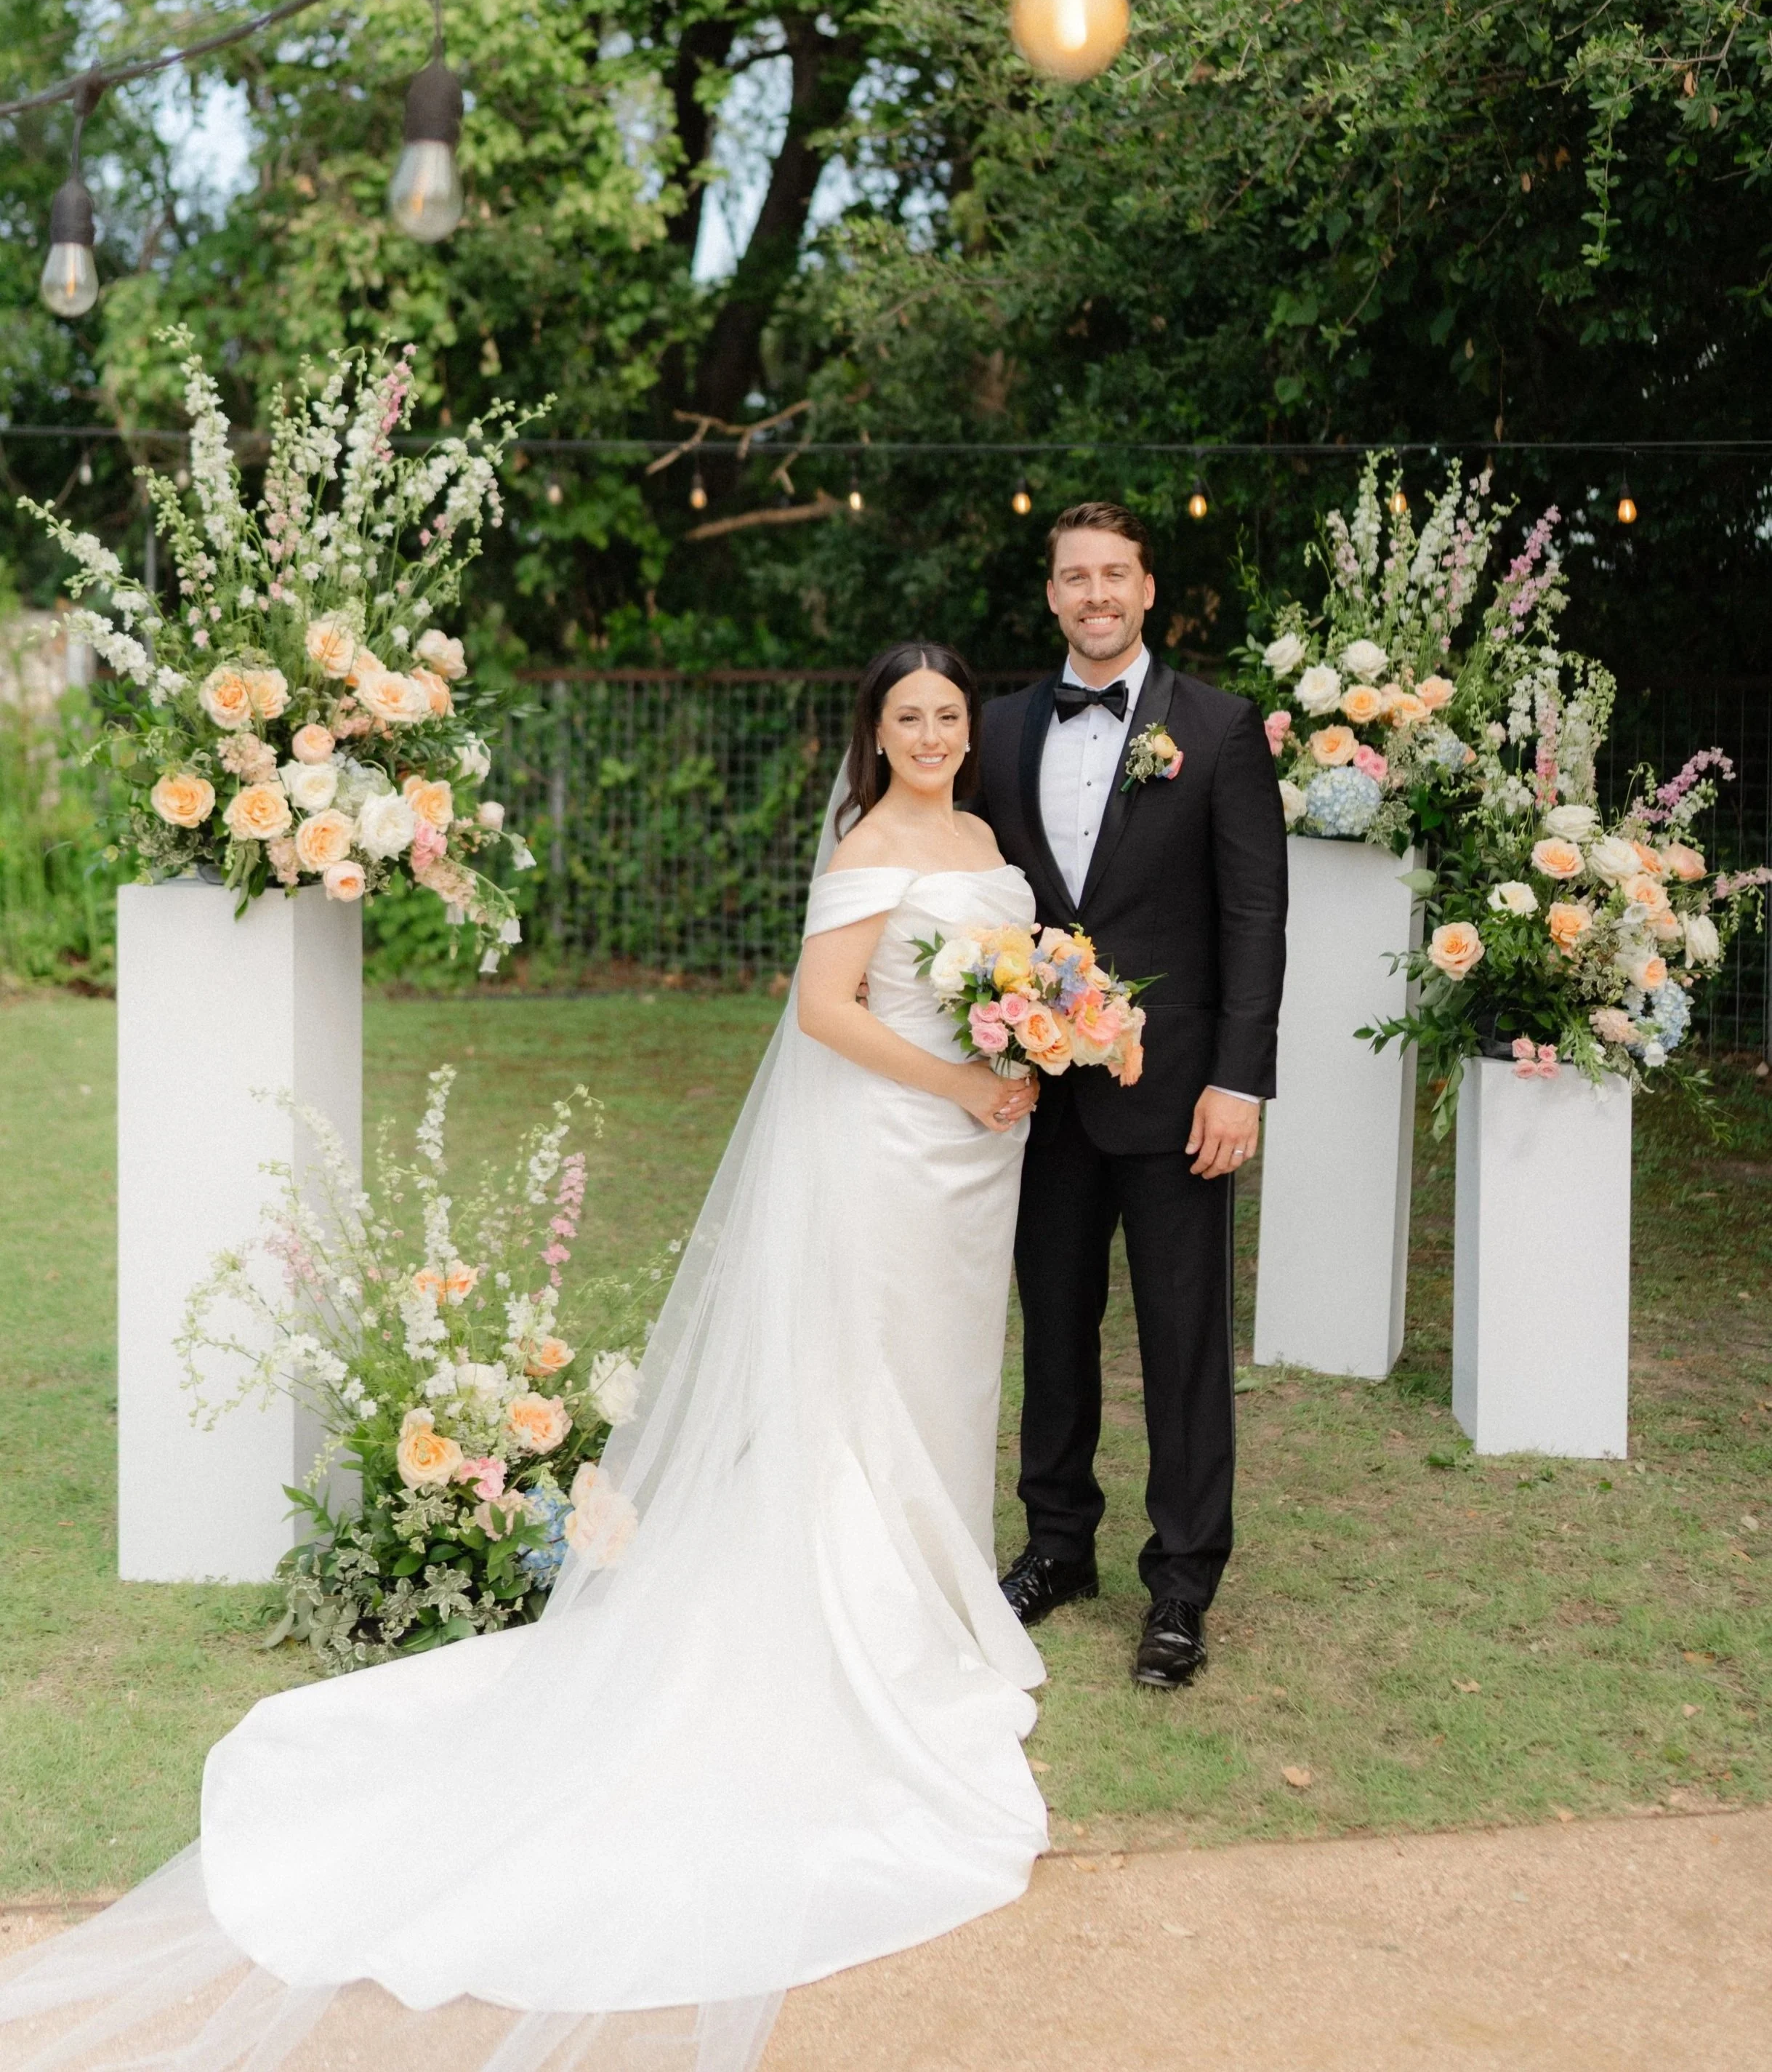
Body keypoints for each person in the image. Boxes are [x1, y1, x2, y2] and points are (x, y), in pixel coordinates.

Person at [0, 643, 1052, 2072]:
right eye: (906, 717)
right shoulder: (868, 844)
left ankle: (930, 1588)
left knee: (939, 1378)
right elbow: (826, 1011)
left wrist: (1032, 1039)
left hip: (973, 1164)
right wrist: (964, 1075)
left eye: (947, 715)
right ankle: (864, 1612)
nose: (930, 734)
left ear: (966, 729)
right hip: (891, 1142)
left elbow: (1008, 972)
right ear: (873, 735)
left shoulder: (985, 838)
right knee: (856, 1378)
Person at [971, 501, 1288, 1690]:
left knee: (1182, 1340)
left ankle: (1182, 1583)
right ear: (1049, 593)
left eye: (1115, 574)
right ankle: (1057, 1547)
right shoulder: (998, 731)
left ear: (1149, 588)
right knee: (1049, 1331)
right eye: (1073, 577)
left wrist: (1238, 1081)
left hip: (1175, 1102)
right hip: (1040, 1098)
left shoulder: (1215, 729)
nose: (1095, 594)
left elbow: (1254, 915)